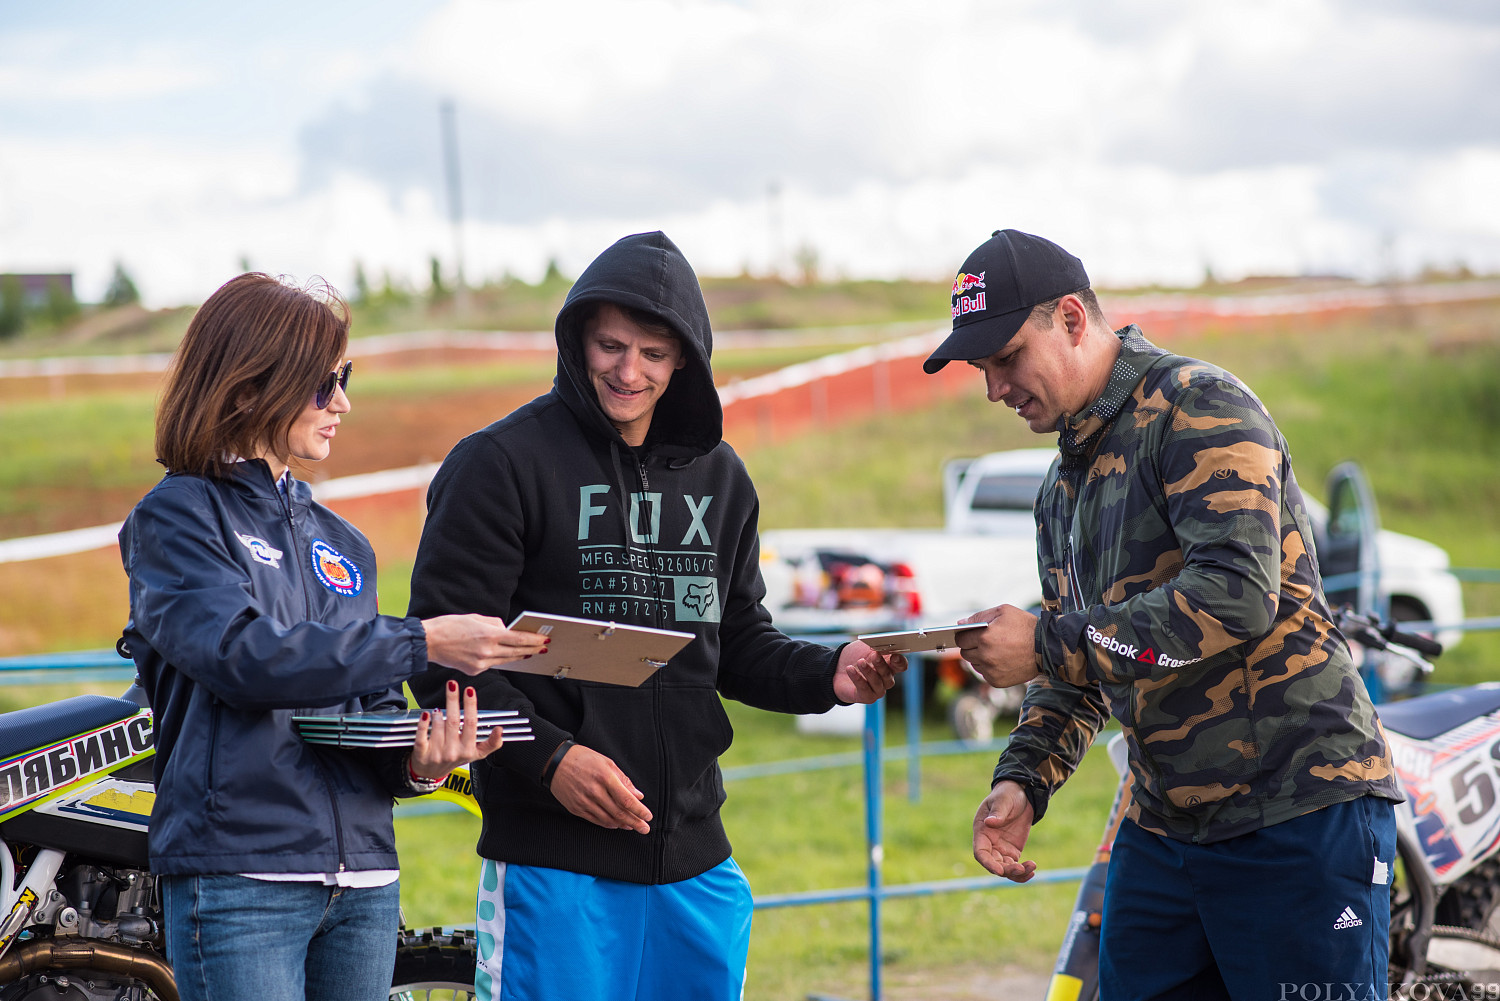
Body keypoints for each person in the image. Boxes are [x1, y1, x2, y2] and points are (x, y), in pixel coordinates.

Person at [406, 230, 906, 1001]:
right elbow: (442, 657)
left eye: (653, 353)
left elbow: (735, 643)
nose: (627, 371)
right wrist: (550, 760)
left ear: (685, 362)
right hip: (554, 864)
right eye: (609, 345)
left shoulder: (723, 478)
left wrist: (829, 672)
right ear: (579, 339)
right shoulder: (498, 464)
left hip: (697, 866)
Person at [923, 230, 1402, 1000]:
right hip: (1165, 832)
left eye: (1006, 356)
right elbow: (1085, 660)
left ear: (1073, 319)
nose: (994, 387)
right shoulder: (1059, 491)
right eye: (982, 369)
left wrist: (1045, 643)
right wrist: (1023, 782)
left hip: (1297, 810)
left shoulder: (1198, 407)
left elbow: (1236, 596)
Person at [118, 273, 546, 1001]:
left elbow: (369, 712)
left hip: (366, 882)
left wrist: (420, 758)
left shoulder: (344, 543)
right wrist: (426, 641)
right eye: (325, 383)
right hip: (242, 877)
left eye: (343, 378)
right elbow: (241, 657)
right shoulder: (177, 518)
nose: (343, 401)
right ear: (252, 384)